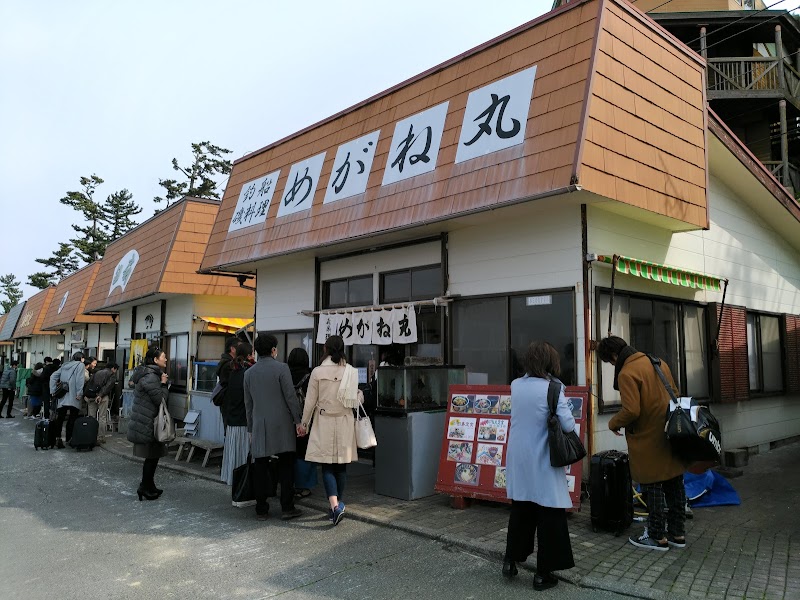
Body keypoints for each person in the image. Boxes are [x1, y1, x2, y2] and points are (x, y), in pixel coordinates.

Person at [597, 335, 688, 552]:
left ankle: (656, 536)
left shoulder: (627, 373)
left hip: (648, 437)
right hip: (670, 433)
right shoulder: (658, 362)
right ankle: (677, 533)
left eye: (610, 363)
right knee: (675, 482)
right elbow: (675, 393)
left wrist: (613, 422)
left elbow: (632, 410)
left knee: (653, 484)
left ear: (613, 356)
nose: (612, 366)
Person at [503, 341, 575, 591]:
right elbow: (568, 426)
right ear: (549, 363)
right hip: (544, 458)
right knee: (550, 514)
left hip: (518, 456)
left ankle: (510, 561)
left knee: (521, 509)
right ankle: (543, 574)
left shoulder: (515, 385)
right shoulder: (554, 388)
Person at [298, 335, 358, 526]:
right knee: (341, 465)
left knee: (327, 465)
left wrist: (304, 424)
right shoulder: (350, 371)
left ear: (325, 348)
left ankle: (334, 505)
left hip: (324, 420)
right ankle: (337, 504)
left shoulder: (317, 372)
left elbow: (310, 402)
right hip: (344, 421)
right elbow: (354, 400)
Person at [243, 333, 303, 521]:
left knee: (260, 466)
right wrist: (298, 421)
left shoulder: (249, 373)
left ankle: (261, 509)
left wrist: (250, 429)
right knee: (286, 465)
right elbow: (291, 398)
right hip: (282, 425)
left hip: (260, 425)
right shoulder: (282, 368)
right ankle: (287, 507)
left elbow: (249, 405)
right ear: (274, 350)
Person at [126, 347, 169, 501]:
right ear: (155, 360)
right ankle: (144, 487)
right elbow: (160, 400)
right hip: (149, 421)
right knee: (152, 456)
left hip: (145, 419)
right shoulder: (151, 377)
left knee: (153, 456)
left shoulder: (145, 373)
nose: (166, 359)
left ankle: (149, 485)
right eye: (163, 356)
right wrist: (164, 384)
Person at [220, 343, 252, 486]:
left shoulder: (233, 371)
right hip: (243, 421)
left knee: (234, 455)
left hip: (232, 419)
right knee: (243, 455)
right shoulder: (247, 373)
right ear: (249, 355)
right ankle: (242, 485)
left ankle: (233, 481)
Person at [288, 347, 316, 498]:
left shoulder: (285, 375)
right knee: (305, 452)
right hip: (306, 420)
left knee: (289, 452)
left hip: (288, 420)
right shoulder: (310, 377)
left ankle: (288, 483)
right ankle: (304, 486)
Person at [49, 352, 86, 447]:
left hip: (63, 396)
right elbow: (79, 379)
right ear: (81, 358)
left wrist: (53, 390)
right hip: (74, 396)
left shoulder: (65, 365)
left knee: (60, 418)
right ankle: (69, 439)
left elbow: (53, 376)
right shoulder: (80, 365)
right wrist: (79, 393)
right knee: (72, 418)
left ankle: (58, 438)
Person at [85, 362, 119, 443]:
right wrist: (100, 395)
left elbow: (89, 383)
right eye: (116, 370)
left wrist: (86, 394)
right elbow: (108, 387)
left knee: (91, 417)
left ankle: (91, 436)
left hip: (91, 396)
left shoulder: (97, 372)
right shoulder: (111, 375)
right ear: (113, 368)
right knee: (102, 417)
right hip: (102, 397)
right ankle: (100, 437)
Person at [215, 336, 239, 426]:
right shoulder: (228, 365)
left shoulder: (225, 362)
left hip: (226, 401)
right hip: (229, 401)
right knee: (229, 429)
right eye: (239, 347)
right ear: (232, 349)